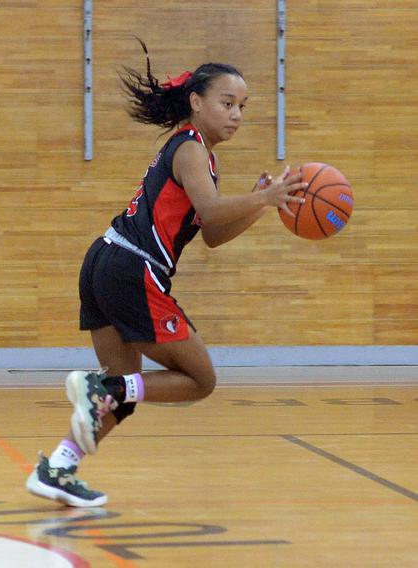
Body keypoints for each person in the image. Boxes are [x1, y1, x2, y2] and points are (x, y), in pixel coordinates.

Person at [26, 40, 307, 507]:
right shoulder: (190, 147)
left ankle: (59, 467)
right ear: (196, 102)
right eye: (227, 103)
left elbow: (213, 232)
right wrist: (264, 199)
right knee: (200, 379)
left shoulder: (197, 153)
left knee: (125, 392)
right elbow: (212, 210)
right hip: (132, 267)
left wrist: (259, 205)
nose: (237, 114)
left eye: (242, 106)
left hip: (105, 260)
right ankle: (105, 389)